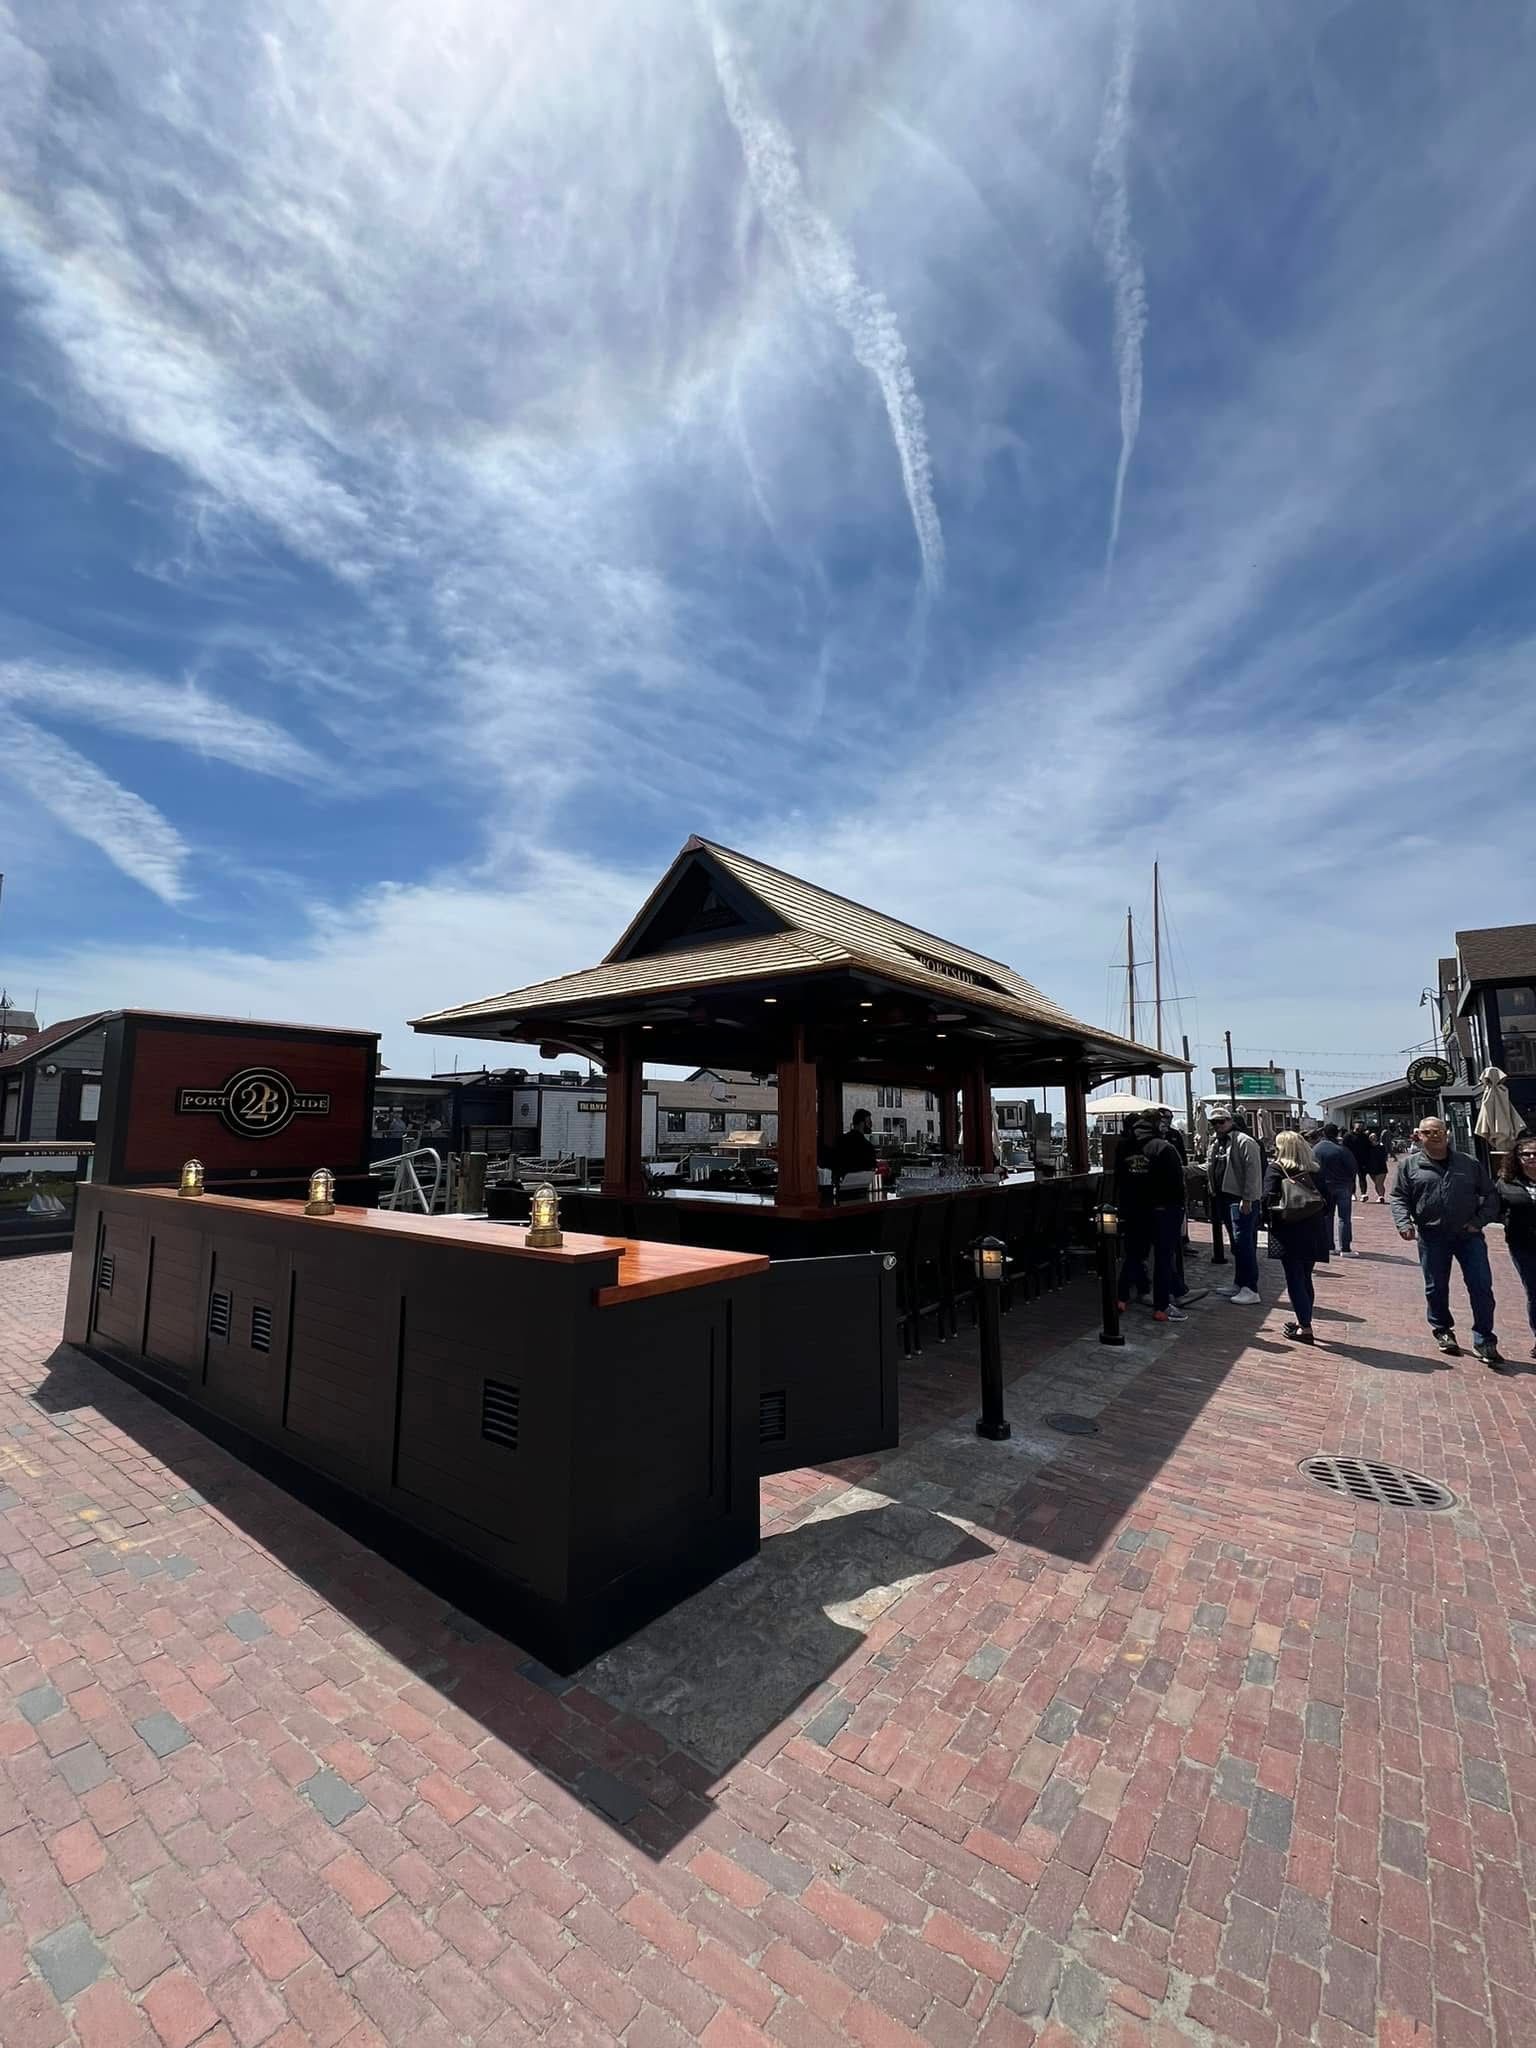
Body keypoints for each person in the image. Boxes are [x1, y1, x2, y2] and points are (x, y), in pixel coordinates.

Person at [1389, 1117, 1506, 1368]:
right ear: (1418, 1135)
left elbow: (1490, 1195)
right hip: (1432, 1236)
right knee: (1436, 1287)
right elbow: (1399, 1197)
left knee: (1481, 1286)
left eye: (1440, 1131)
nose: (1435, 1135)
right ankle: (1442, 1329)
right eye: (1429, 1132)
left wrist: (1479, 1221)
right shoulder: (1410, 1166)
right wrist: (1403, 1223)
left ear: (1448, 1134)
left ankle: (1484, 1338)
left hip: (1469, 1236)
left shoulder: (1468, 1163)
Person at [1114, 1114, 1188, 1322]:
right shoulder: (1165, 1148)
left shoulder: (1124, 1148)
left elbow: (1120, 1180)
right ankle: (1161, 1307)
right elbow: (1176, 1184)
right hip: (1164, 1210)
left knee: (1134, 1255)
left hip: (1136, 1210)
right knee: (1163, 1259)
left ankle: (1121, 1298)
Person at [1263, 1130, 1330, 1344]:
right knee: (1306, 1276)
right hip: (1314, 1229)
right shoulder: (1315, 1170)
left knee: (1294, 1278)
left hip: (1288, 1229)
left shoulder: (1276, 1169)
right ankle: (1304, 1321)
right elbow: (1327, 1200)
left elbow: (1267, 1199)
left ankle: (1305, 1326)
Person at [1208, 1107, 1264, 1304]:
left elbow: (1253, 1172)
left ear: (1231, 1121)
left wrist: (1248, 1198)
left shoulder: (1244, 1141)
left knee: (1244, 1243)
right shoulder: (1216, 1143)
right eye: (1213, 1122)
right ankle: (1239, 1283)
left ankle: (1251, 1287)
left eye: (1221, 1121)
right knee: (1235, 1244)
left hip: (1239, 1198)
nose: (1217, 1125)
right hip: (1222, 1197)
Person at [1495, 1131, 1536, 1360]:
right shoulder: (1506, 1182)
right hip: (1524, 1245)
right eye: (1525, 1154)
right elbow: (1494, 1208)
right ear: (1517, 1157)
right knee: (1535, 1291)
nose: (1530, 1157)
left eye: (1534, 1153)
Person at [1312, 1122, 1359, 1255]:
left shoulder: (1316, 1149)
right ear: (1337, 1133)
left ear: (1323, 1133)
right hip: (1343, 1186)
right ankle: (1345, 1248)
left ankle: (1328, 1246)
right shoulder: (1342, 1150)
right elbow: (1353, 1168)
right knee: (1344, 1218)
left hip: (1323, 1187)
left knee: (1327, 1216)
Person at [830, 1108, 879, 1185]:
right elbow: (872, 1169)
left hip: (842, 1186)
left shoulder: (840, 1140)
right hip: (862, 1186)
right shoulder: (867, 1146)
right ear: (862, 1123)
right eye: (869, 1122)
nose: (871, 1125)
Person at [1344, 1122, 1373, 1197]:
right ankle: (1353, 1193)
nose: (1359, 1127)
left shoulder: (1364, 1136)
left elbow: (1368, 1148)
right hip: (1351, 1160)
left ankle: (1363, 1194)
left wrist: (1368, 1160)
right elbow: (1344, 1148)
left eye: (1361, 1126)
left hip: (1362, 1160)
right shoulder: (1348, 1136)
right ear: (1354, 1125)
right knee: (1352, 1178)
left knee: (1362, 1177)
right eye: (1358, 1125)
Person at [1366, 1126, 1390, 1203]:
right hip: (1371, 1168)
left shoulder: (1381, 1146)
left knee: (1379, 1183)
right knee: (1376, 1183)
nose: (1373, 1138)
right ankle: (1379, 1195)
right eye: (1371, 1137)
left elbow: (1384, 1155)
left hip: (1381, 1167)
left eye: (1374, 1136)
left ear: (1377, 1137)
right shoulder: (1368, 1147)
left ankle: (1381, 1196)